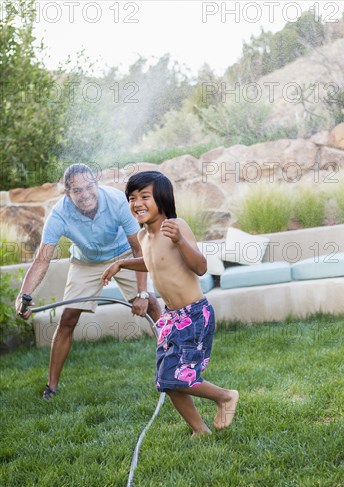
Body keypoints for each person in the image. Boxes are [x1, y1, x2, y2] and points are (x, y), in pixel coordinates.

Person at [101, 171, 239, 436]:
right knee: (167, 379)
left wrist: (179, 239)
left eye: (144, 196)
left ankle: (224, 396)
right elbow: (152, 262)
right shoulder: (143, 237)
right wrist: (121, 263)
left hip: (195, 314)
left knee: (178, 376)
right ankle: (200, 431)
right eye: (132, 198)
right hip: (171, 317)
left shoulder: (176, 226)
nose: (137, 203)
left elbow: (200, 267)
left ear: (162, 199)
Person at [15, 163, 161, 399]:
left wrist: (142, 294)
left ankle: (175, 367)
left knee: (153, 304)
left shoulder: (117, 201)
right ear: (68, 193)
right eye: (77, 190)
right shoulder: (59, 214)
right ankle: (51, 387)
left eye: (89, 186)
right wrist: (24, 295)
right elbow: (42, 259)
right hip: (86, 262)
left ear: (97, 183)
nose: (85, 194)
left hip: (124, 255)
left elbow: (138, 249)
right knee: (68, 317)